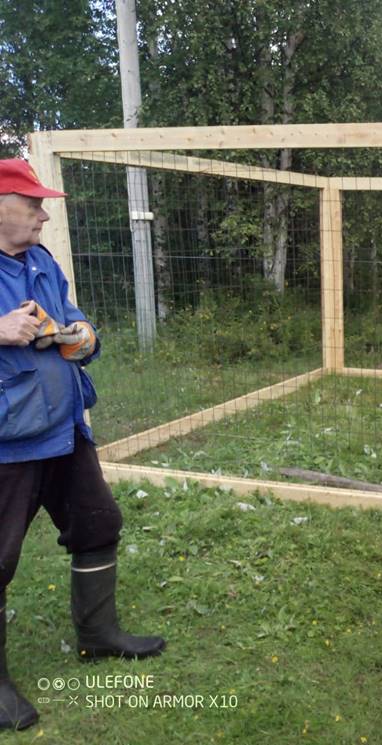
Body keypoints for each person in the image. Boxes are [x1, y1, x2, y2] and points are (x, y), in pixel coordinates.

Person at [0, 158, 165, 731]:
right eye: (33, 205)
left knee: (97, 524)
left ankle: (98, 635)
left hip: (63, 428)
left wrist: (80, 335)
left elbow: (73, 319)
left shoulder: (42, 261)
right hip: (7, 443)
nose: (43, 215)